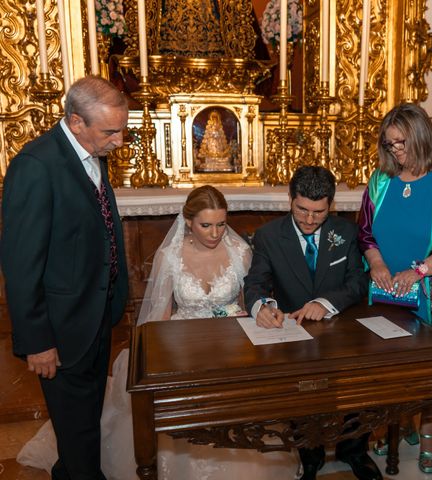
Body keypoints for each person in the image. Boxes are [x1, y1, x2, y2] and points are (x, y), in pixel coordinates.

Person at [16, 185, 300, 479]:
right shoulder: (171, 257)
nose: (215, 233)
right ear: (188, 221)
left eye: (221, 224)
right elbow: (161, 314)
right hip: (182, 341)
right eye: (206, 225)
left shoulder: (240, 252)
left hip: (229, 341)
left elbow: (247, 303)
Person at [0, 76, 129, 480]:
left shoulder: (90, 153)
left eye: (123, 129)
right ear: (76, 122)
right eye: (111, 131)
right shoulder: (36, 166)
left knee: (84, 421)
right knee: (77, 428)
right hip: (60, 328)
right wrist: (37, 342)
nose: (120, 141)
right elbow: (21, 265)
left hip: (93, 318)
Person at [357, 102, 432, 474]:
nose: (395, 151)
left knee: (428, 374)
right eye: (389, 144)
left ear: (421, 138)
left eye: (402, 143)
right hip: (387, 292)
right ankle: (397, 423)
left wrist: (419, 271)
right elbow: (365, 231)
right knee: (387, 366)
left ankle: (428, 437)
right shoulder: (380, 180)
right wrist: (377, 263)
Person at [243, 165, 380, 480]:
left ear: (330, 205)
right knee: (303, 395)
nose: (308, 219)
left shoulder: (346, 232)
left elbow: (359, 282)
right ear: (290, 198)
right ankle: (310, 455)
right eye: (302, 209)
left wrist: (325, 303)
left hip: (341, 326)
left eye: (318, 213)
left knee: (357, 388)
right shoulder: (268, 236)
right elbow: (255, 283)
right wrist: (262, 306)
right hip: (293, 332)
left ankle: (354, 450)